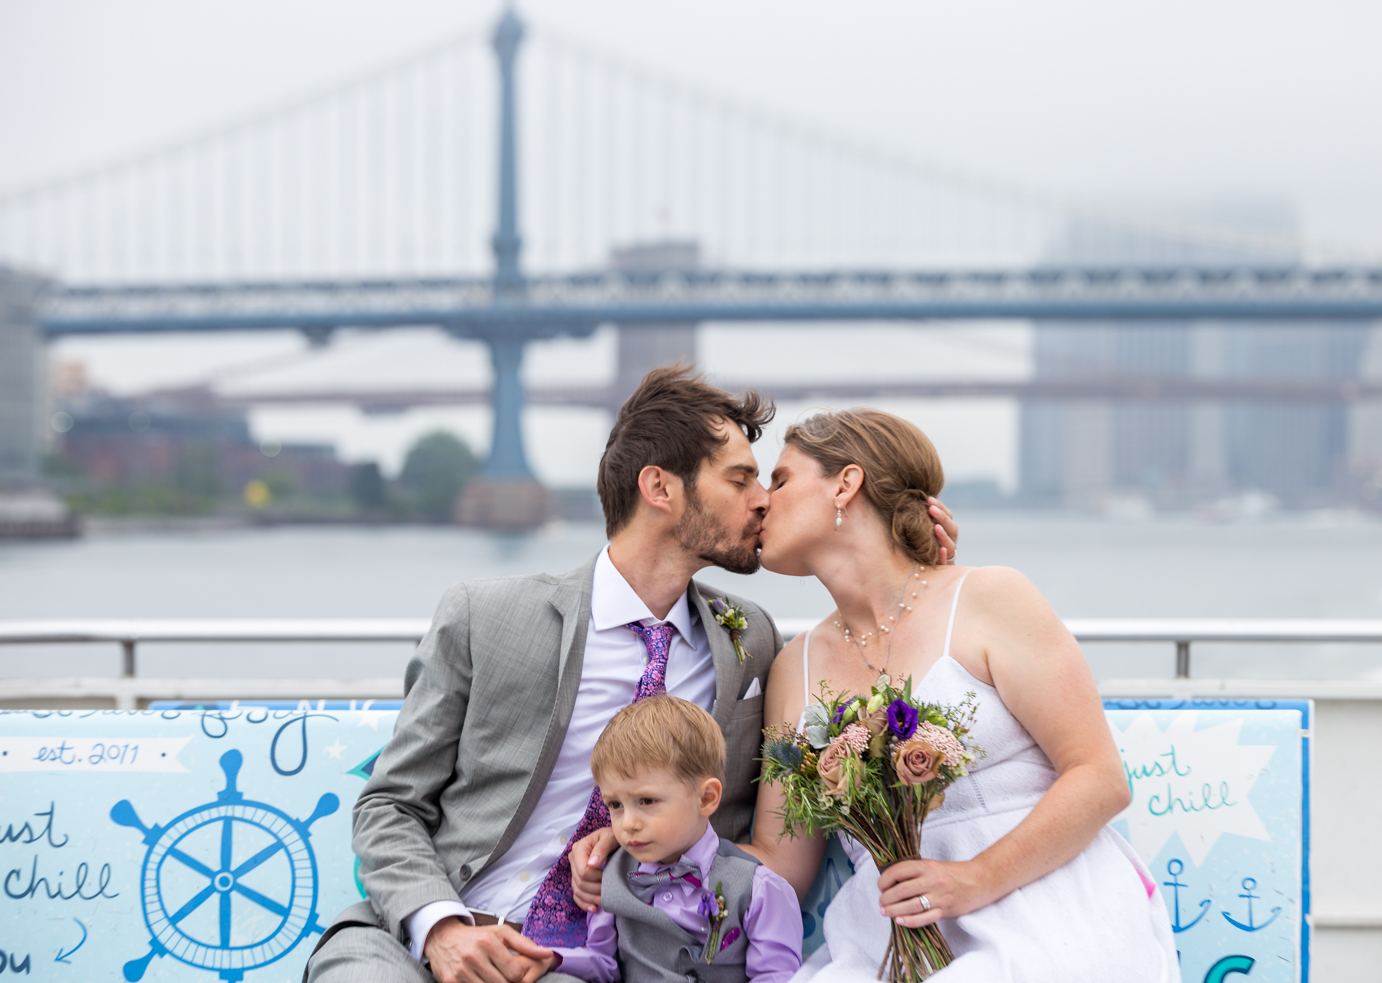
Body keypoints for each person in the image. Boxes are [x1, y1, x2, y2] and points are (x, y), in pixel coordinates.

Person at [304, 367, 960, 983]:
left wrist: (914, 566)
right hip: (418, 937)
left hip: (583, 959)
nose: (763, 501)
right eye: (740, 480)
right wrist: (439, 926)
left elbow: (872, 676)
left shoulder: (753, 643)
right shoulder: (486, 617)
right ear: (660, 489)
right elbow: (392, 803)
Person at [572, 408, 1178, 982]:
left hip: (1046, 903)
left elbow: (1099, 777)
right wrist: (645, 842)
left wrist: (975, 878)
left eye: (779, 479)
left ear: (846, 485)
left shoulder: (991, 598)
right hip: (888, 926)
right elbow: (782, 864)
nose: (760, 499)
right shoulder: (795, 666)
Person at [548, 695, 802, 983]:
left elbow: (776, 977)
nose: (628, 823)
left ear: (706, 798)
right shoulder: (614, 875)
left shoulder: (760, 889)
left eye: (647, 800)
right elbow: (604, 965)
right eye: (615, 805)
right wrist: (553, 959)